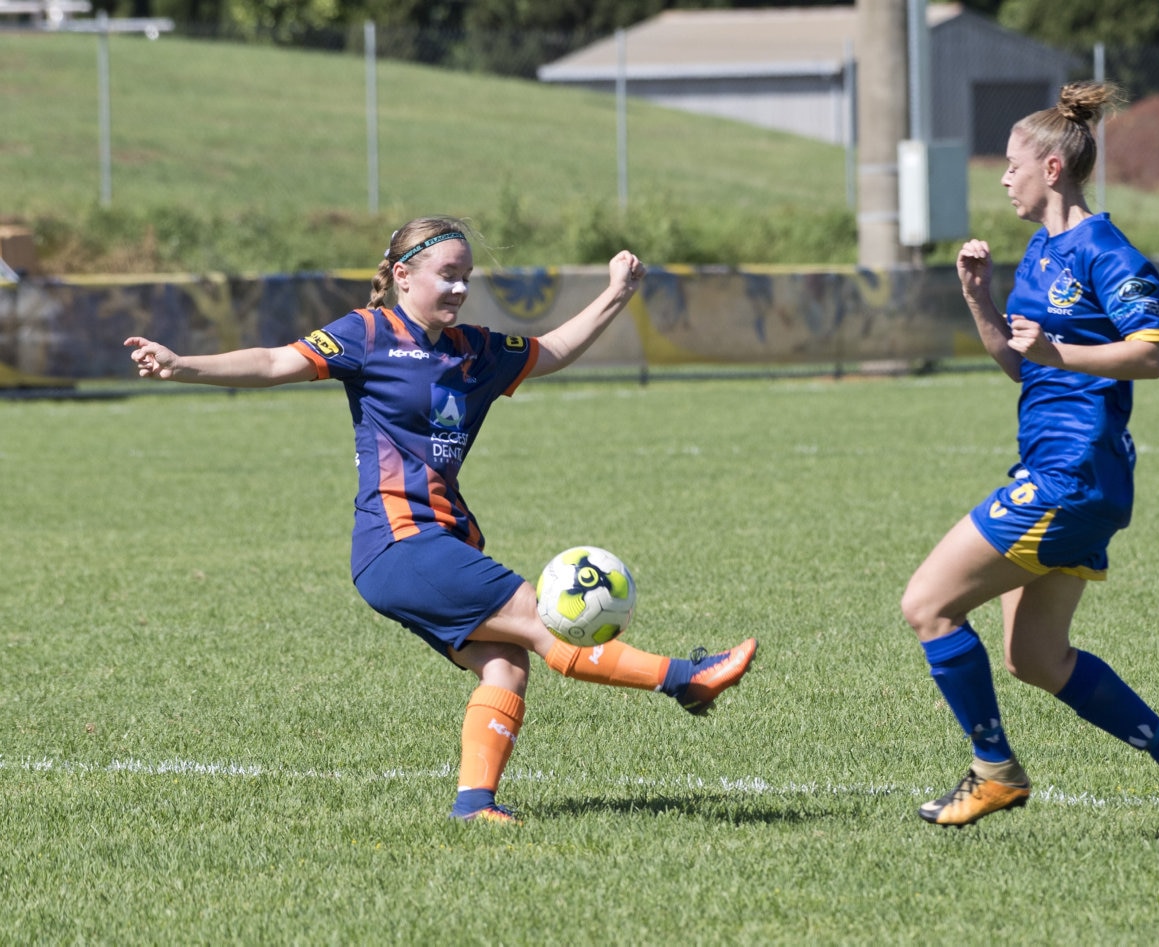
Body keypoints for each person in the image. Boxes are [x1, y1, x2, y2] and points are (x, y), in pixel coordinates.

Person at [125, 216, 757, 824]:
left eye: (466, 277)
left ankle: (475, 805)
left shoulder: (477, 350)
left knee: (506, 663)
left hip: (432, 542)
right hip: (399, 543)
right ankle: (684, 678)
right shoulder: (365, 334)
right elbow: (271, 363)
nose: (459, 287)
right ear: (403, 275)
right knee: (542, 621)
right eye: (447, 274)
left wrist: (616, 294)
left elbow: (554, 350)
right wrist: (182, 365)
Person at [899, 83, 1159, 835]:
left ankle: (994, 770)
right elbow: (1026, 367)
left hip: (1071, 475)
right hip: (1059, 471)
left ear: (1051, 168)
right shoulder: (1041, 253)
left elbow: (1148, 358)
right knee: (1036, 657)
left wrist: (1057, 348)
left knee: (927, 604)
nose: (1003, 179)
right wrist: (980, 300)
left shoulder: (1105, 251)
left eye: (1011, 166)